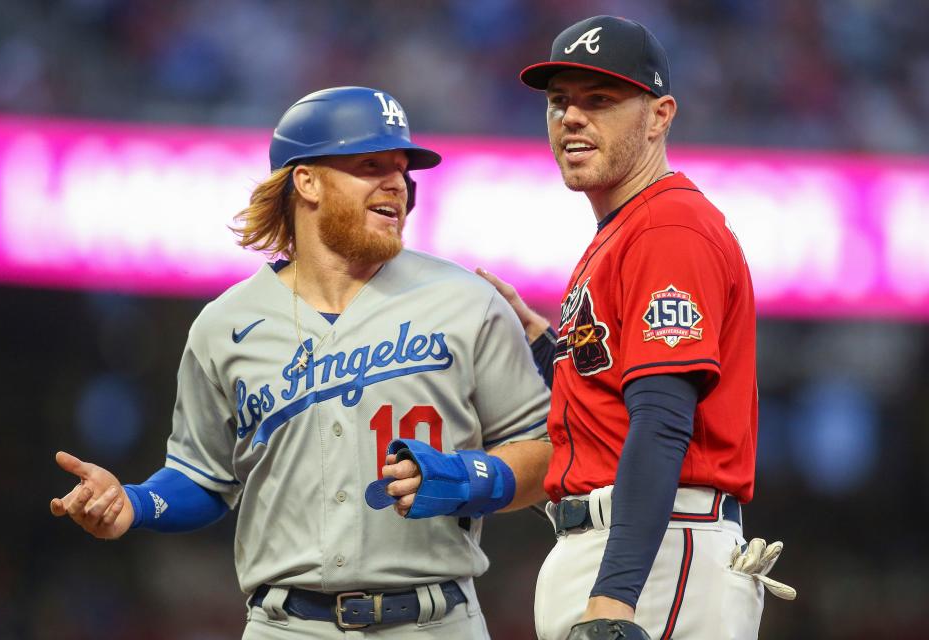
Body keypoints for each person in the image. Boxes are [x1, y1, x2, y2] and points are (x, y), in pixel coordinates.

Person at [49, 86, 552, 639]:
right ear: (306, 180)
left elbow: (548, 452)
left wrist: (473, 477)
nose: (397, 184)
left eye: (402, 169)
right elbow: (205, 477)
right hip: (285, 626)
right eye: (370, 164)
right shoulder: (225, 325)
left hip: (436, 621)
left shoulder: (467, 302)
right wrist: (137, 503)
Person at [481, 16, 799, 640]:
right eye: (559, 101)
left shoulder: (667, 228)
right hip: (637, 546)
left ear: (659, 116)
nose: (571, 117)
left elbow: (662, 421)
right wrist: (551, 346)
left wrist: (615, 597)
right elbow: (613, 403)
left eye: (599, 100)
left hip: (654, 560)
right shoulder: (628, 229)